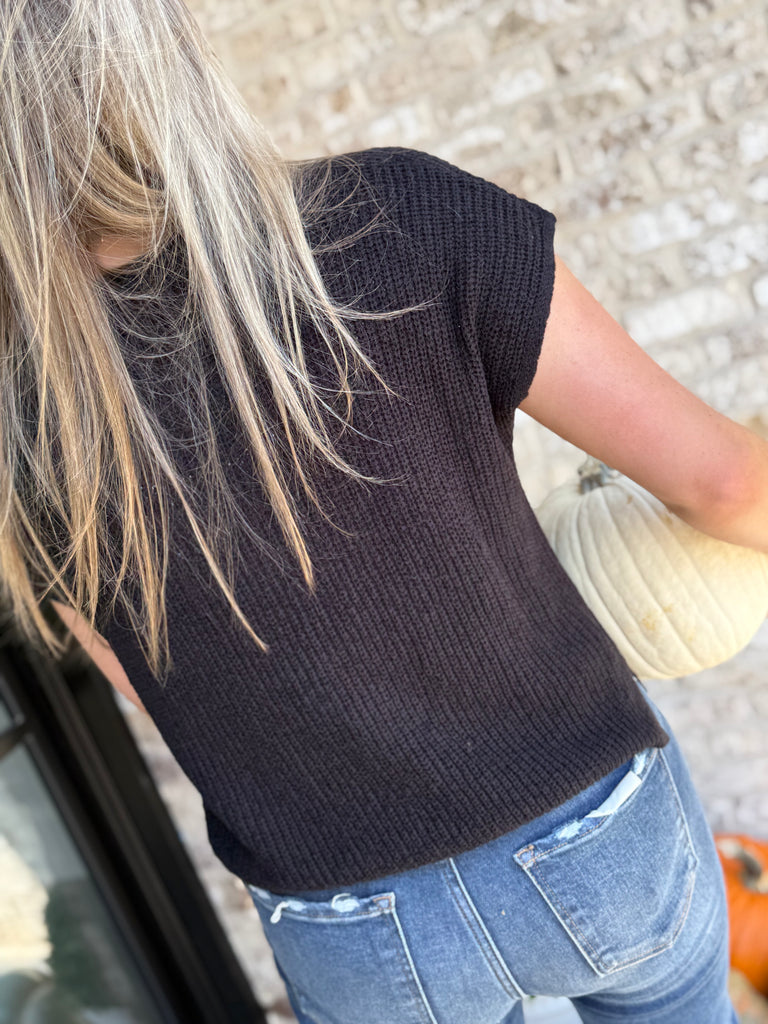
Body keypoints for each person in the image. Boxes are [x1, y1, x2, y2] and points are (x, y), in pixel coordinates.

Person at [2, 2, 766, 1022]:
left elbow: (144, 678)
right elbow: (730, 486)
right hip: (593, 830)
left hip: (350, 924)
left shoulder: (20, 411)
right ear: (163, 54)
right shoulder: (399, 215)